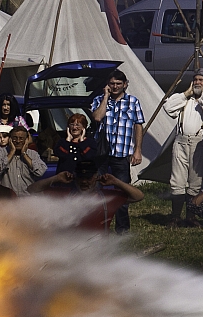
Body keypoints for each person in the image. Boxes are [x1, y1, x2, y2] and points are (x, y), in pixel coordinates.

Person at [163, 68, 203, 227]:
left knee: (195, 181)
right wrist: (186, 93)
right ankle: (175, 216)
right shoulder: (186, 99)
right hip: (181, 141)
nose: (198, 82)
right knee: (177, 180)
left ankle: (191, 216)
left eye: (201, 80)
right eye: (196, 79)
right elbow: (168, 107)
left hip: (200, 142)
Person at [90, 70, 145, 233]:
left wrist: (138, 150)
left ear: (125, 84)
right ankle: (99, 225)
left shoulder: (133, 102)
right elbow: (97, 117)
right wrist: (106, 97)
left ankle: (122, 228)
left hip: (121, 153)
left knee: (122, 191)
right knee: (97, 189)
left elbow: (138, 125)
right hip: (101, 153)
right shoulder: (99, 100)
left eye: (118, 84)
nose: (115, 87)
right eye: (112, 83)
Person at [27, 159, 144, 232]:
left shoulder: (107, 198)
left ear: (96, 177)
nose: (84, 182)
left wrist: (116, 181)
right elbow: (32, 190)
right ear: (74, 177)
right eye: (81, 178)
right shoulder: (64, 194)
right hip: (69, 249)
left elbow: (138, 196)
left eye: (88, 178)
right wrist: (56, 178)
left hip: (98, 252)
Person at [0, 125, 46, 197]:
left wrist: (24, 154)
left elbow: (40, 172)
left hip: (28, 198)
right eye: (15, 138)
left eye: (21, 138)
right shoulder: (2, 152)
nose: (18, 141)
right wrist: (12, 152)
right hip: (8, 199)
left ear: (26, 140)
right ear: (10, 139)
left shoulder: (33, 154)